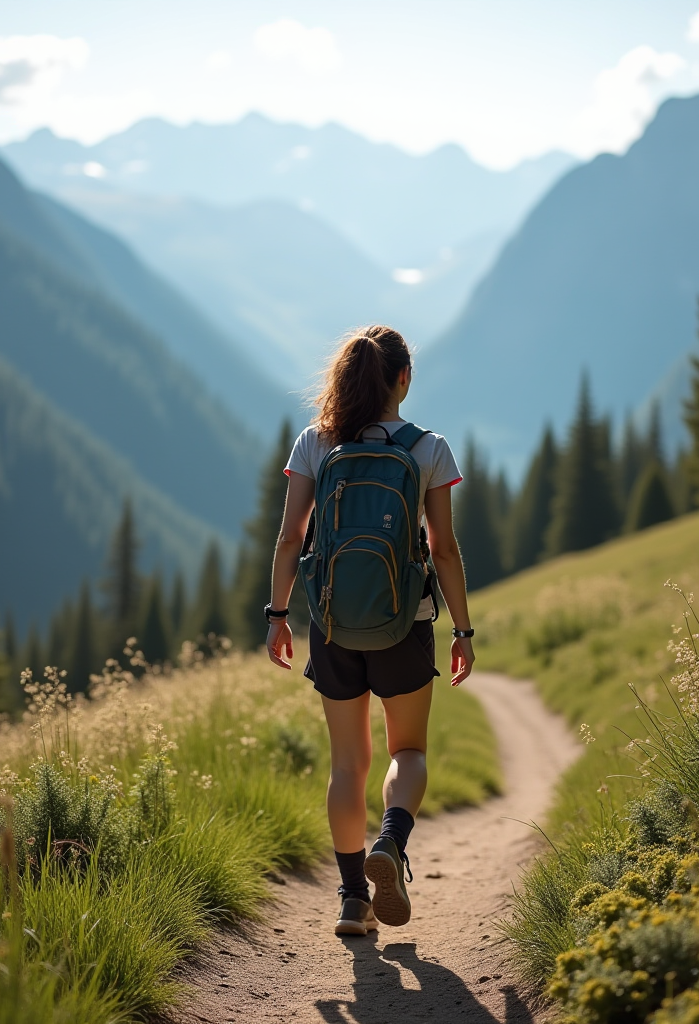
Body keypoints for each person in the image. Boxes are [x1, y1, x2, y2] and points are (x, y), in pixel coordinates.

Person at [265, 324, 475, 937]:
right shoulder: (429, 448)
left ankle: (353, 899)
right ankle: (393, 841)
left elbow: (289, 538)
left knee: (346, 764)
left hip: (331, 625)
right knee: (406, 752)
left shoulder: (314, 442)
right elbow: (444, 551)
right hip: (404, 625)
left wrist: (278, 616)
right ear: (403, 380)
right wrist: (462, 629)